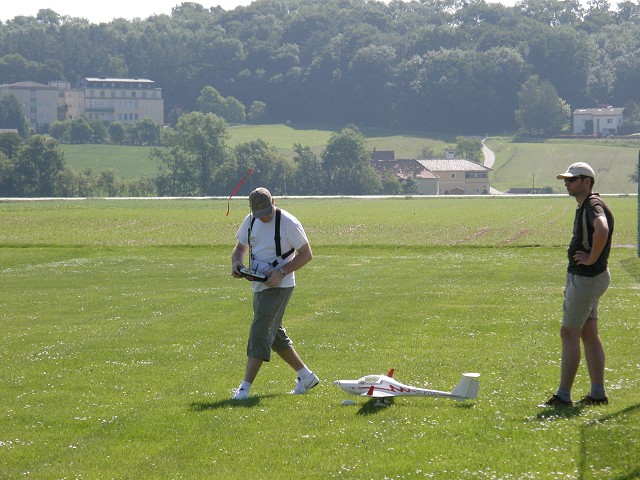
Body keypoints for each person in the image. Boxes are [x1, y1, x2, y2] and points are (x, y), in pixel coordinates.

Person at [230, 187, 319, 400]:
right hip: (259, 286)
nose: (265, 217)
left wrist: (281, 272)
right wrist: (236, 263)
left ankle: (244, 389)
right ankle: (306, 377)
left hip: (281, 286)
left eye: (267, 212)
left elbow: (306, 254)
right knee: (274, 334)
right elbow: (240, 247)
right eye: (259, 214)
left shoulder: (288, 222)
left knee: (260, 331)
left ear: (274, 201)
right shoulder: (250, 221)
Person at [540, 162, 614, 408]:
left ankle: (563, 396)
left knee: (568, 333)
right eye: (566, 180)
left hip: (585, 279)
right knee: (589, 333)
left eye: (572, 180)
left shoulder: (592, 205)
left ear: (586, 181)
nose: (567, 183)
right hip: (593, 278)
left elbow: (601, 229)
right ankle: (597, 393)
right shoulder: (588, 205)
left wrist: (591, 257)